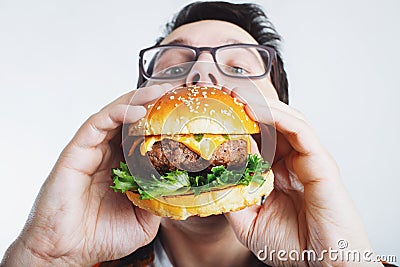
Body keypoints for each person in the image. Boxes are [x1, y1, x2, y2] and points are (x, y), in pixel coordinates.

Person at [1, 2, 394, 267]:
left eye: (239, 69)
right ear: (131, 124)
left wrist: (341, 262)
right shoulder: (79, 256)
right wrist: (45, 257)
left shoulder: (325, 256)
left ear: (283, 126)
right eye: (173, 66)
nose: (200, 76)